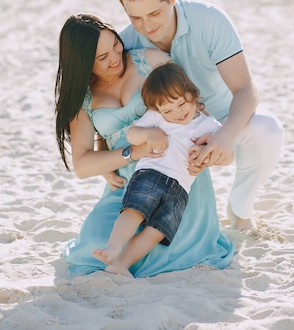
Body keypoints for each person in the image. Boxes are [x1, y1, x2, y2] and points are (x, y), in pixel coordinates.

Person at [55, 14, 234, 278]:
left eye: (115, 45)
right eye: (102, 58)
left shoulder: (149, 60)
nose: (115, 58)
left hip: (176, 172)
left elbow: (192, 103)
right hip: (128, 182)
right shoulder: (83, 98)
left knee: (163, 243)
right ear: (82, 64)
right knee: (95, 246)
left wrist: (212, 144)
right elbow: (82, 165)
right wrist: (127, 153)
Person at [116, 0, 285, 231]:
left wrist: (225, 136)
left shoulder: (208, 18)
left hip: (222, 118)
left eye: (155, 13)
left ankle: (240, 211)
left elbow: (246, 89)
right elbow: (105, 106)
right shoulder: (126, 42)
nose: (145, 26)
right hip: (168, 135)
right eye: (135, 17)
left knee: (267, 130)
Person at [93, 62, 223, 277]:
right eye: (168, 110)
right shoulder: (157, 117)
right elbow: (132, 134)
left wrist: (207, 150)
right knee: (134, 210)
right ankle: (113, 247)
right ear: (159, 109)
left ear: (192, 93)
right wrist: (150, 134)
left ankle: (121, 264)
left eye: (181, 104)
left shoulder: (209, 124)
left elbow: (224, 150)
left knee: (156, 232)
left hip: (180, 190)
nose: (177, 113)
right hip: (152, 174)